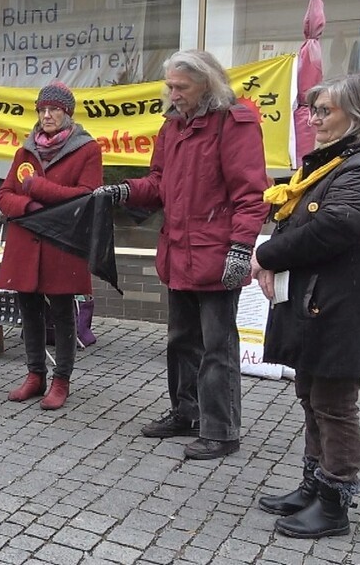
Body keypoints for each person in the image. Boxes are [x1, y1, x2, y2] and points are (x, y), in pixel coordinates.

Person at [252, 74, 360, 538]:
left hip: (344, 303)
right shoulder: (337, 159)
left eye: (325, 111)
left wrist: (266, 255)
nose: (313, 119)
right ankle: (313, 486)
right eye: (312, 110)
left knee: (335, 404)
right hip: (317, 297)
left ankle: (334, 503)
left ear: (359, 114)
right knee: (311, 395)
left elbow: (332, 228)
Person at [95, 49, 268, 460]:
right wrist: (124, 191)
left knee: (217, 348)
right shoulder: (172, 126)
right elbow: (159, 183)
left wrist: (241, 248)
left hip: (217, 256)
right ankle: (186, 413)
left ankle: (222, 430)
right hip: (179, 253)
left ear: (207, 84)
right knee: (180, 342)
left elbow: (251, 195)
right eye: (170, 86)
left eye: (181, 87)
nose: (173, 94)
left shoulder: (234, 123)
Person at [0, 82, 102, 409]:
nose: (46, 115)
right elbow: (4, 195)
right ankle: (35, 374)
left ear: (67, 113)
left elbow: (88, 196)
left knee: (62, 313)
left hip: (62, 245)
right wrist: (28, 206)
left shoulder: (87, 149)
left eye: (53, 109)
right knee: (29, 310)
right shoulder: (25, 152)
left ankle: (61, 380)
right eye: (42, 110)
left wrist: (39, 189)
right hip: (25, 243)